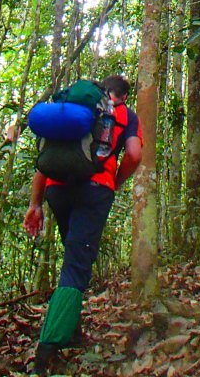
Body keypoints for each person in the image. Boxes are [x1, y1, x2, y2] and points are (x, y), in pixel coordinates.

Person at [23, 74, 142, 375]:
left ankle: (72, 332)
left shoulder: (77, 110)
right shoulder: (124, 115)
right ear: (124, 96)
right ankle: (48, 347)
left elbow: (45, 159)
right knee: (77, 263)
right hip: (95, 189)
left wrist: (35, 205)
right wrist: (115, 181)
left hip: (56, 190)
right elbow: (134, 154)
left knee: (72, 254)